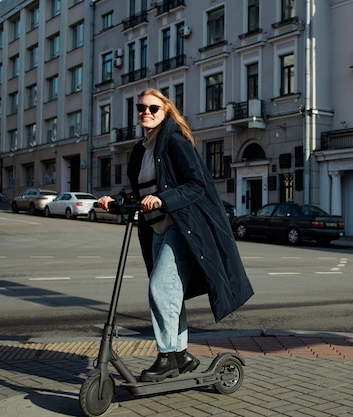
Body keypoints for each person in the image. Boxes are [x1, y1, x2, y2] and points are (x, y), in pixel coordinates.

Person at [97, 88, 254, 382]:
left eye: (153, 108)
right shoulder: (140, 148)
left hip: (182, 227)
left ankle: (167, 356)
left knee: (160, 287)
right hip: (155, 228)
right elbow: (140, 191)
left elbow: (197, 184)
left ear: (165, 112)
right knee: (171, 292)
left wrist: (163, 199)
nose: (146, 112)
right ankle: (180, 354)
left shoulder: (174, 142)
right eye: (141, 108)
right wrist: (116, 200)